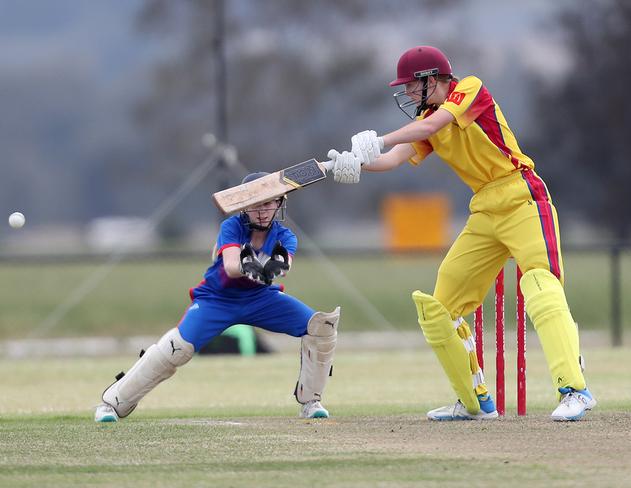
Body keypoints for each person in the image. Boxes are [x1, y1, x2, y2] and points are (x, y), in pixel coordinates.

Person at [327, 45, 595, 421]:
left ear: (430, 79)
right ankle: (475, 403)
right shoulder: (425, 116)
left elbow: (432, 127)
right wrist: (356, 162)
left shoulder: (468, 88)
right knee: (441, 307)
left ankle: (575, 390)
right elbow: (396, 157)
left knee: (540, 286)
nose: (406, 93)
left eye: (409, 85)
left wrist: (380, 139)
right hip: (484, 208)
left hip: (522, 195)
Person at [94, 172, 339, 422]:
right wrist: (250, 265)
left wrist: (278, 265)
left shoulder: (286, 236)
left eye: (268, 202)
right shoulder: (231, 227)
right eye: (255, 204)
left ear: (279, 203)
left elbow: (285, 264)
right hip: (217, 299)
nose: (262, 211)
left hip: (260, 299)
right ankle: (112, 403)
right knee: (176, 349)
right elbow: (232, 267)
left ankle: (311, 401)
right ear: (244, 205)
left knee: (321, 328)